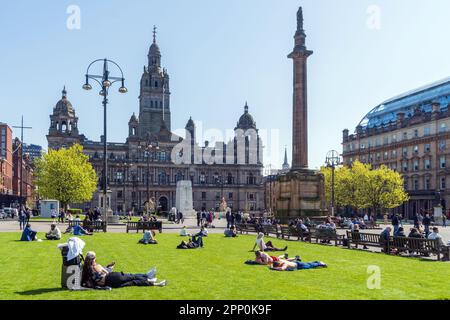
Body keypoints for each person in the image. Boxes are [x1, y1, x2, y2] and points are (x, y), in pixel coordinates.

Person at [81, 251, 166, 289]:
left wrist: (108, 267)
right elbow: (106, 273)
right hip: (112, 277)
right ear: (93, 259)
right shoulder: (96, 266)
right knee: (132, 276)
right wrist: (109, 268)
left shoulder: (87, 270)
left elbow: (98, 278)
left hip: (111, 284)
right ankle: (148, 277)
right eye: (95, 258)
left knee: (134, 282)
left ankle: (156, 283)